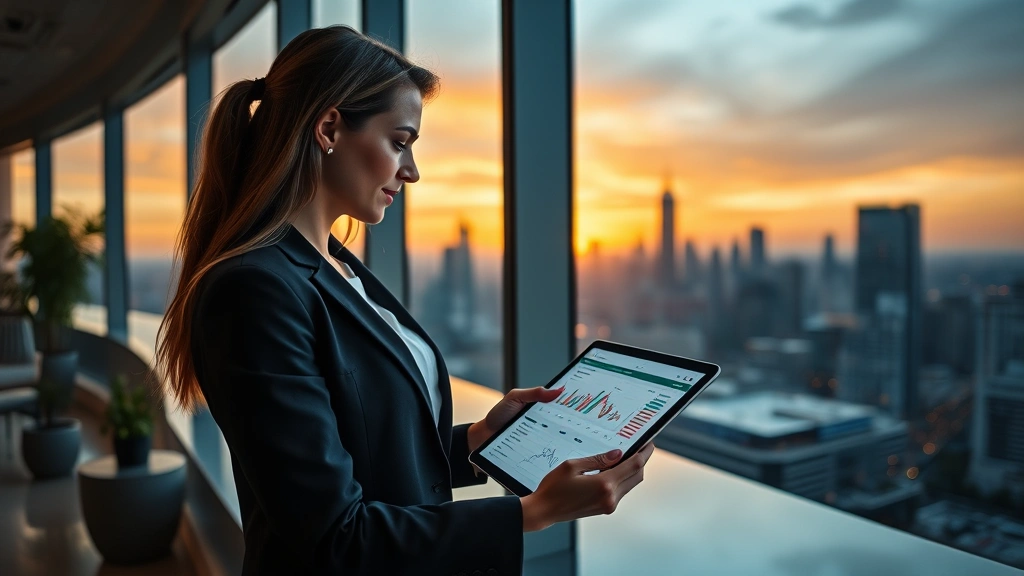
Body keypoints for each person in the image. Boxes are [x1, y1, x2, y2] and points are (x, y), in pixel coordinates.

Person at [156, 25, 654, 576]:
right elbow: (333, 538)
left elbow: (363, 452)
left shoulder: (339, 267)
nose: (412, 172)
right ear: (329, 128)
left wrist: (478, 441)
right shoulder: (253, 291)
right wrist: (530, 514)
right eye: (400, 142)